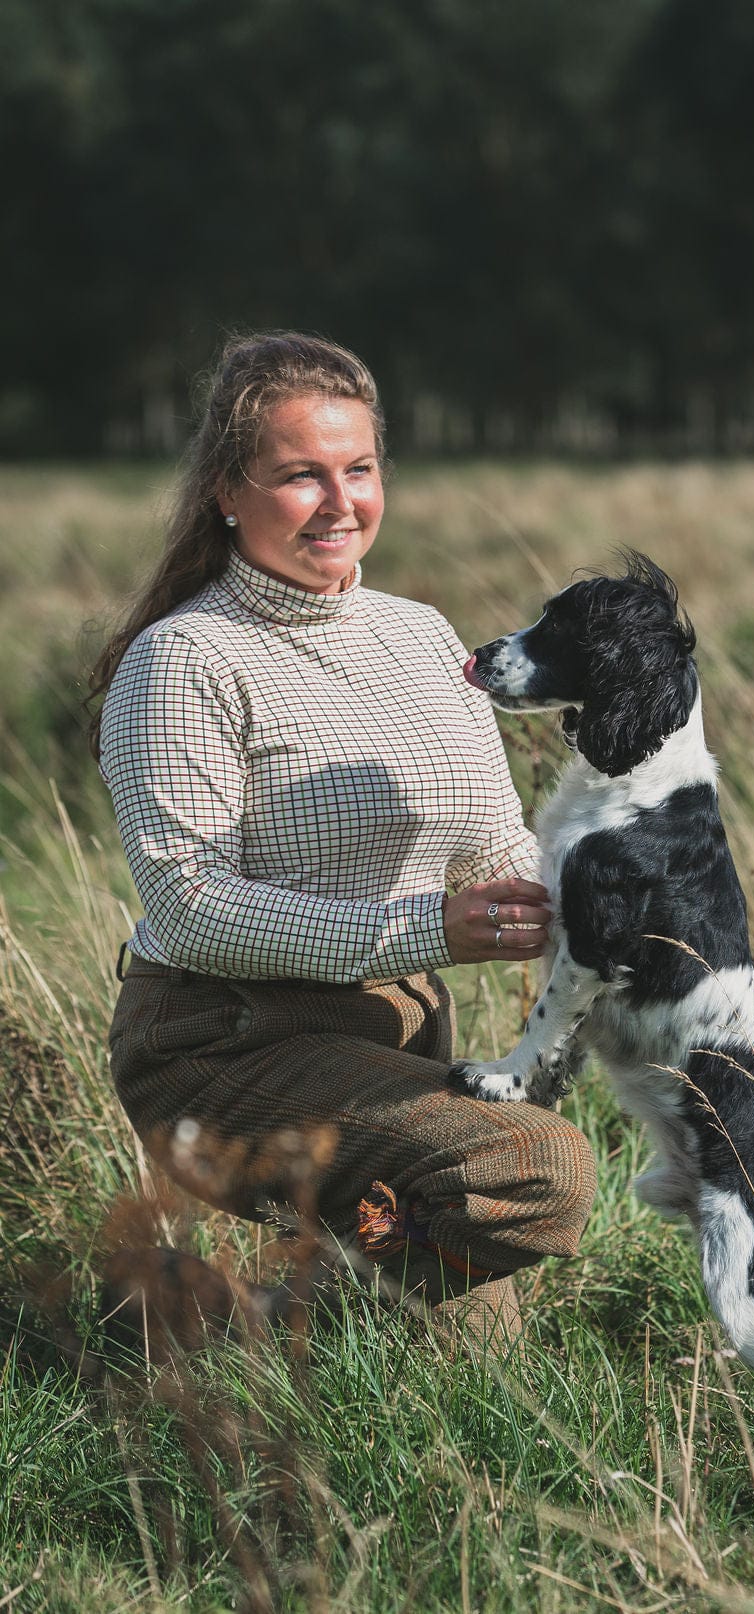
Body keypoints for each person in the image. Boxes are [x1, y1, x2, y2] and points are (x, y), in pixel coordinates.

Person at [88, 331, 595, 1335]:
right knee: (537, 1166)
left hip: (392, 1032)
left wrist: (607, 920)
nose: (339, 502)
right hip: (220, 1045)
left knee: (461, 1355)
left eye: (358, 470)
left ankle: (200, 1322)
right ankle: (246, 1321)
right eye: (299, 477)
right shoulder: (182, 660)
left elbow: (495, 848)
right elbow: (190, 913)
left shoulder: (420, 635)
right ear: (226, 491)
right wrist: (431, 929)